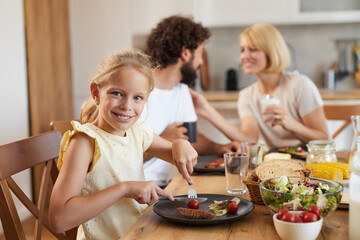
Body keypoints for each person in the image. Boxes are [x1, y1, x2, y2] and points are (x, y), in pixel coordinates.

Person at [49, 50, 198, 239]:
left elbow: (173, 154)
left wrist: (179, 143)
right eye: (117, 93)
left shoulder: (137, 130)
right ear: (96, 93)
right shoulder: (84, 143)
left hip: (139, 232)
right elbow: (58, 219)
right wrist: (125, 189)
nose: (127, 106)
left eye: (137, 98)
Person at [190, 23, 329, 149]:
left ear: (271, 51)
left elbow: (325, 139)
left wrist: (290, 124)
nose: (245, 56)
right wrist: (207, 110)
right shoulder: (247, 95)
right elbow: (250, 140)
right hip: (278, 163)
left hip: (312, 162)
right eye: (242, 50)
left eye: (253, 49)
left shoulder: (299, 85)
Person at [142, 15, 242, 187]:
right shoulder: (137, 90)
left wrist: (221, 148)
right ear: (186, 52)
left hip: (162, 187)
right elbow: (118, 155)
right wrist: (165, 140)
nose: (201, 62)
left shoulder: (181, 90)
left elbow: (190, 139)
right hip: (133, 191)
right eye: (200, 53)